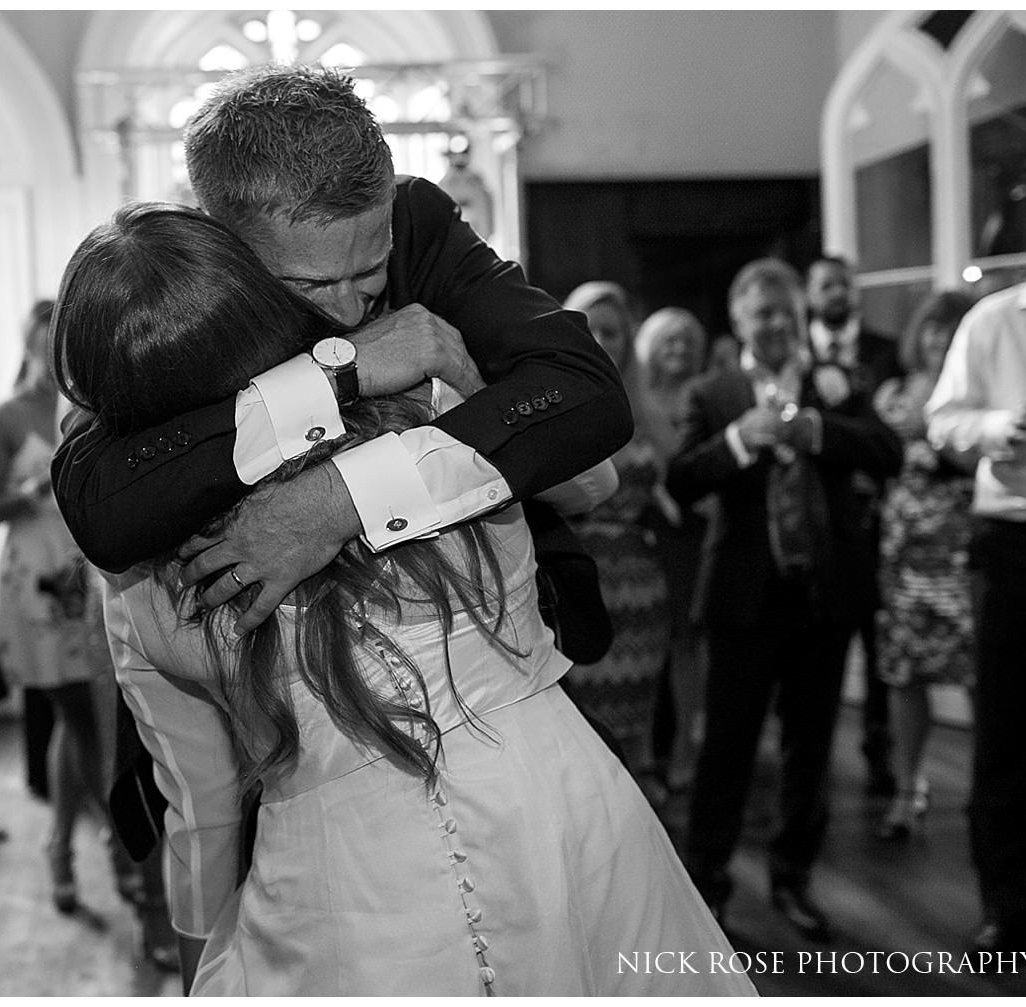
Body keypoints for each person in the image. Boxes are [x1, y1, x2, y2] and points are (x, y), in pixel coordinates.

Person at [54, 200, 752, 996]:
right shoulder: (426, 409)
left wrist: (193, 969)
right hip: (555, 818)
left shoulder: (143, 584)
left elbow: (203, 804)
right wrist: (414, 383)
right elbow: (591, 477)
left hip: (339, 891)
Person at [50, 62, 632, 861]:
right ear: (224, 241)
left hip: (494, 657)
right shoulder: (182, 286)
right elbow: (102, 502)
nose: (358, 301)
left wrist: (341, 498)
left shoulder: (417, 221)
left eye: (373, 268)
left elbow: (587, 396)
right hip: (277, 731)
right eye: (316, 283)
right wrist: (339, 372)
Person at [666, 258, 902, 944]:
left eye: (784, 312)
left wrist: (819, 433)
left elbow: (886, 451)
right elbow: (681, 479)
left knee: (811, 748)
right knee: (727, 750)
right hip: (744, 599)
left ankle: (793, 879)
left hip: (823, 595)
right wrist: (741, 440)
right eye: (761, 312)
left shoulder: (837, 386)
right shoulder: (715, 391)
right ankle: (707, 889)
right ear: (738, 321)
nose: (774, 324)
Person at [926, 175, 1026, 954]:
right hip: (1019, 547)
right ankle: (1009, 917)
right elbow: (943, 419)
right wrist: (1002, 425)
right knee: (1010, 736)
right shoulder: (993, 321)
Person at [0, 301, 116, 916]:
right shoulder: (5, 418)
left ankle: (65, 843)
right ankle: (111, 845)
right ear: (30, 345)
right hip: (38, 578)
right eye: (47, 341)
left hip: (88, 570)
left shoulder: (94, 405)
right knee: (80, 716)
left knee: (81, 719)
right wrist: (32, 490)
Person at [871, 290, 977, 842]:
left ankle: (1003, 793)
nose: (939, 337)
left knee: (985, 674)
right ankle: (908, 787)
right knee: (904, 674)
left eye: (951, 328)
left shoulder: (976, 393)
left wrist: (936, 434)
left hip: (964, 556)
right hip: (903, 557)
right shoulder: (892, 393)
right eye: (932, 327)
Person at [559, 282, 670, 796]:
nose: (603, 341)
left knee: (636, 710)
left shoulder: (644, 409)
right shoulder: (554, 402)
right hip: (576, 575)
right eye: (591, 329)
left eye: (613, 331)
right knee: (581, 717)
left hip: (639, 577)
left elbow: (677, 482)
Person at [806, 254, 906, 799]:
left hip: (880, 517)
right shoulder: (792, 355)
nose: (836, 291)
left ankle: (880, 748)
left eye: (844, 282)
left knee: (881, 645)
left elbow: (891, 435)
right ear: (810, 293)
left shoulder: (884, 350)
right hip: (823, 522)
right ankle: (819, 760)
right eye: (825, 284)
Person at [634, 307, 712, 793]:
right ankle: (646, 750)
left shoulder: (704, 396)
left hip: (688, 532)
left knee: (686, 641)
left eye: (687, 341)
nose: (679, 350)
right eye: (670, 341)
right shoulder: (630, 394)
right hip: (641, 532)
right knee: (645, 643)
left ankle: (687, 742)